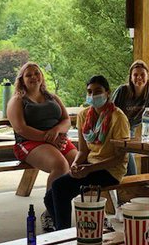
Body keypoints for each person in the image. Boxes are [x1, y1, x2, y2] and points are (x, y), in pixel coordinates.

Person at [47, 75, 130, 231]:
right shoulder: (84, 115)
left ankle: (63, 235)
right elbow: (83, 150)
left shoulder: (118, 117)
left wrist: (89, 169)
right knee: (49, 198)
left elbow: (120, 158)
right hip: (90, 165)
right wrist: (76, 164)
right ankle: (64, 232)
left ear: (108, 93)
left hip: (110, 170)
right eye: (89, 92)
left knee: (59, 187)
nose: (93, 96)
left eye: (98, 91)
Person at [6, 61, 75, 232]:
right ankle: (50, 212)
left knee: (80, 163)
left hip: (57, 139)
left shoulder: (52, 97)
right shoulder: (18, 100)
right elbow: (20, 128)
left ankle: (80, 208)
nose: (33, 77)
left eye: (36, 73)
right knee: (60, 166)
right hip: (30, 142)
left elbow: (67, 120)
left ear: (42, 76)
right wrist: (48, 137)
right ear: (22, 79)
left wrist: (57, 130)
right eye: (28, 75)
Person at [112, 59, 149, 175]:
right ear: (130, 77)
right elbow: (110, 113)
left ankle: (131, 183)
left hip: (132, 131)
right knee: (127, 153)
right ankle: (132, 184)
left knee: (129, 152)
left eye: (142, 74)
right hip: (116, 129)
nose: (139, 78)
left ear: (148, 76)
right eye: (135, 75)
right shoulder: (122, 91)